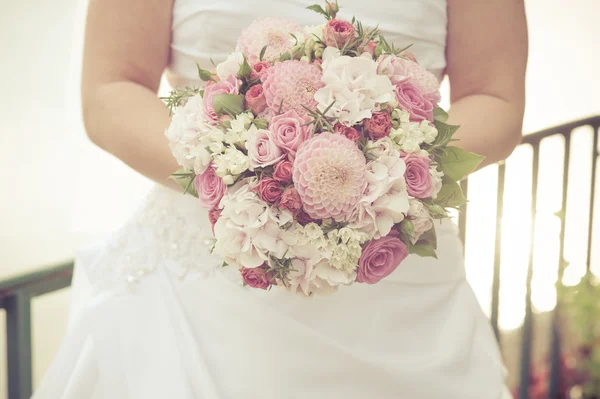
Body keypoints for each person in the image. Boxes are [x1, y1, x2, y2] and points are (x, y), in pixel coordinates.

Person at [33, 0, 527, 398]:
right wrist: (247, 175)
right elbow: (110, 91)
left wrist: (380, 172)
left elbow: (495, 98)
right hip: (204, 292)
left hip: (401, 291)